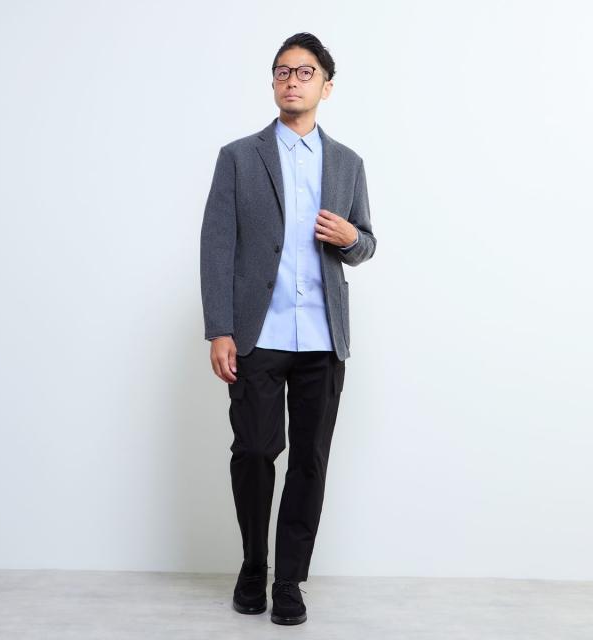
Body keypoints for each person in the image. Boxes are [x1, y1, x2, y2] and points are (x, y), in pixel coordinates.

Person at [199, 32, 377, 625]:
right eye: (282, 71)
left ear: (327, 86)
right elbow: (216, 245)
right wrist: (220, 329)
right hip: (258, 334)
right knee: (254, 451)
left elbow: (366, 243)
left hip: (323, 340)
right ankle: (254, 565)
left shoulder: (347, 163)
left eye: (304, 72)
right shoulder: (239, 157)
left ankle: (290, 581)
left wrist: (351, 239)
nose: (291, 80)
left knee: (310, 461)